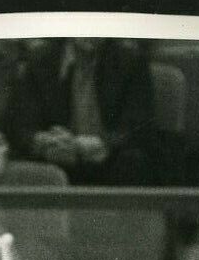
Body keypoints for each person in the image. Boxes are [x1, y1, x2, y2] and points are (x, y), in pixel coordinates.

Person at [8, 39, 156, 185]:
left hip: (110, 158)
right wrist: (43, 141)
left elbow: (138, 125)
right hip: (57, 158)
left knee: (133, 161)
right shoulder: (41, 58)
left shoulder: (130, 59)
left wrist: (101, 144)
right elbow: (22, 126)